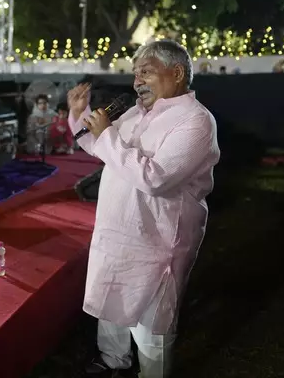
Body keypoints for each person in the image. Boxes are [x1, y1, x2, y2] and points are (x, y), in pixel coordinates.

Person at [67, 39, 220, 378]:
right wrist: (80, 115)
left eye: (146, 73)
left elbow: (156, 179)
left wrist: (107, 135)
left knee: (152, 323)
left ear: (177, 73)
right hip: (118, 228)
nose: (137, 81)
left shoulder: (196, 122)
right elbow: (100, 146)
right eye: (135, 74)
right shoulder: (136, 112)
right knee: (112, 298)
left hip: (158, 239)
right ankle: (113, 359)